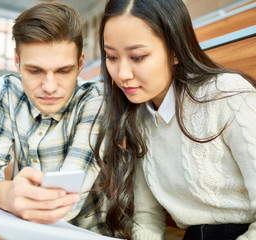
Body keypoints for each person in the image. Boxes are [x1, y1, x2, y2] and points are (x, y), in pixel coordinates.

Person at [92, 0, 256, 239]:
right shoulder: (139, 117)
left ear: (176, 51)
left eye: (137, 57)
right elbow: (146, 219)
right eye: (111, 56)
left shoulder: (228, 95)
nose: (122, 74)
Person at [0, 2, 106, 233]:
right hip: (22, 230)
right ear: (17, 62)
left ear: (81, 64)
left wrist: (4, 194)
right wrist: (5, 194)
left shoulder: (95, 100)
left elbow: (64, 201)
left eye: (63, 71)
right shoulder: (8, 91)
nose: (49, 87)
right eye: (35, 70)